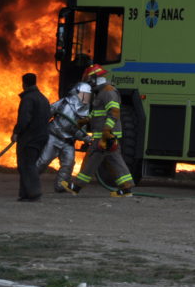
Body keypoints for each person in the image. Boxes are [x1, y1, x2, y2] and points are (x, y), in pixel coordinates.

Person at [61, 64, 136, 197]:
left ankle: (76, 186)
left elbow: (114, 112)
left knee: (91, 159)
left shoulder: (108, 91)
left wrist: (106, 131)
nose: (89, 84)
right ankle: (126, 188)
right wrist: (86, 120)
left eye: (89, 80)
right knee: (115, 160)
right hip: (106, 135)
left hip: (105, 135)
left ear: (95, 78)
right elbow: (98, 113)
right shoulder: (101, 93)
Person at [37, 82, 92, 193]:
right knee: (43, 161)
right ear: (76, 93)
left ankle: (60, 186)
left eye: (87, 95)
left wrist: (85, 138)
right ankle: (29, 179)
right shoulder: (64, 103)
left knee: (68, 164)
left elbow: (79, 130)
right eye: (83, 94)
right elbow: (48, 112)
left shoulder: (85, 113)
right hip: (53, 137)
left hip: (68, 142)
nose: (85, 98)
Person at [12, 73, 51, 202]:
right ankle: (25, 194)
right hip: (42, 137)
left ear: (24, 84)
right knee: (28, 164)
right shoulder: (43, 98)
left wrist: (16, 132)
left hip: (29, 138)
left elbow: (24, 119)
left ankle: (34, 192)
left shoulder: (28, 99)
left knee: (27, 164)